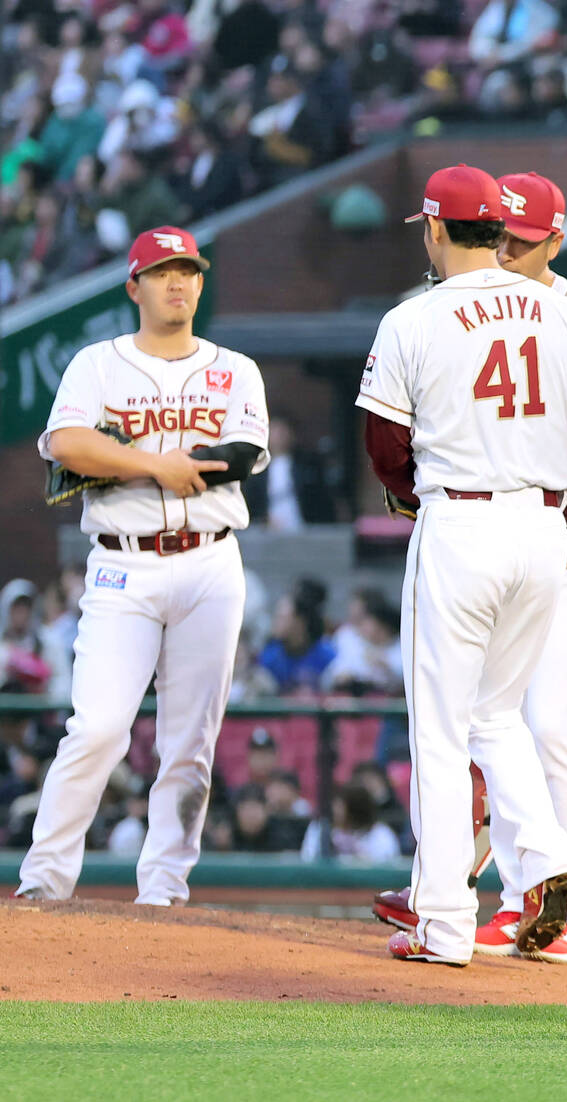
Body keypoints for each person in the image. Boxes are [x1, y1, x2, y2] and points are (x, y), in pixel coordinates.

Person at [356, 164, 567, 965]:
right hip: (543, 525)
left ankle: (441, 922)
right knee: (496, 716)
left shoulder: (414, 318)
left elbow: (382, 446)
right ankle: (549, 861)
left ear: (437, 229)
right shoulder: (564, 311)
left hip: (462, 522)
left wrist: (409, 497)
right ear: (499, 231)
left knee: (442, 732)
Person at [14, 225, 269, 905]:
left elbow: (240, 456)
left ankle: (164, 889)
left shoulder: (235, 368)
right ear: (134, 286)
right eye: (161, 272)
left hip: (211, 563)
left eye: (187, 270)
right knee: (96, 726)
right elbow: (66, 443)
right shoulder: (97, 363)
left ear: (201, 283)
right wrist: (156, 460)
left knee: (190, 742)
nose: (177, 282)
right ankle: (43, 881)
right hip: (123, 567)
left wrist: (118, 458)